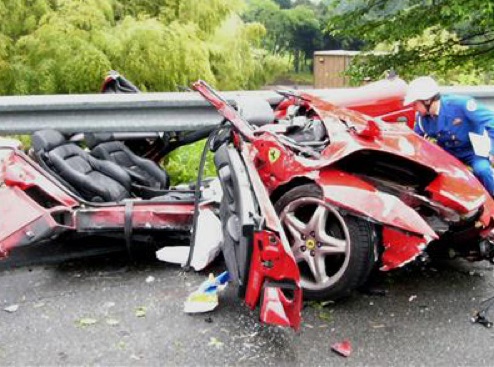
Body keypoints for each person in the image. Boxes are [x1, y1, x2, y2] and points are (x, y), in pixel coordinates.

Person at [404, 76, 494, 196]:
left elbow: (491, 121)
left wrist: (491, 151)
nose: (414, 108)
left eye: (415, 103)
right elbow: (415, 140)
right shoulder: (422, 120)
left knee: (482, 170)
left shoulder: (461, 105)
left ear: (427, 100)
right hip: (448, 154)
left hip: (473, 151)